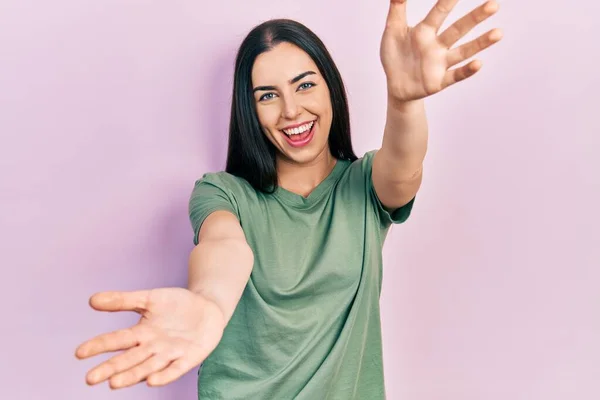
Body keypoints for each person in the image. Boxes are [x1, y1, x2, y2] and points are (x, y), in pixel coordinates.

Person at [75, 0, 502, 398]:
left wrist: (404, 101)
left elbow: (403, 169)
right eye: (268, 96)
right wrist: (209, 302)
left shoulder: (365, 186)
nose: (291, 110)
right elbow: (224, 248)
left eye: (304, 86)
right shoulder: (223, 192)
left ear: (330, 88)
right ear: (250, 110)